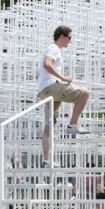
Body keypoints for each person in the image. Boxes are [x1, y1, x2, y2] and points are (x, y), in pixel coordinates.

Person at [37, 25, 91, 157]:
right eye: (69, 37)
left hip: (45, 90)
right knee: (84, 93)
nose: (70, 41)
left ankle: (46, 159)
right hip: (52, 86)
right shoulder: (54, 48)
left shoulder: (52, 49)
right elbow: (47, 64)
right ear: (62, 36)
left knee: (49, 125)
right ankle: (73, 124)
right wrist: (63, 78)